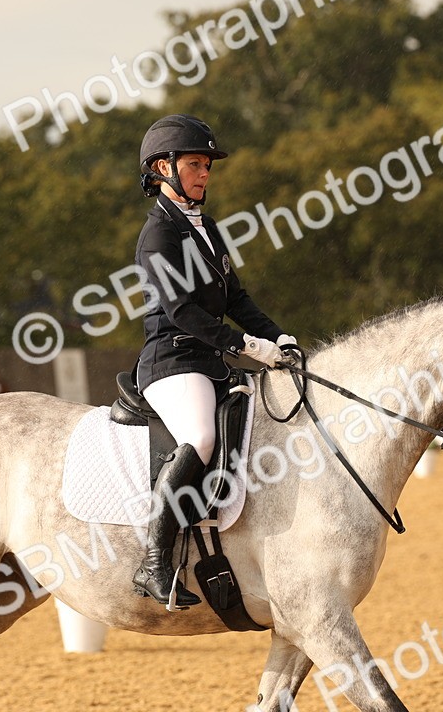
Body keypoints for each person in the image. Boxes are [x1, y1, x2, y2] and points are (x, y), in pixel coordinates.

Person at [131, 113, 296, 608]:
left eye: (207, 165)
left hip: (209, 359)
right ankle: (154, 561)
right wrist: (247, 346)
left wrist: (279, 337)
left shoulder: (206, 228)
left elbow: (236, 298)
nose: (205, 173)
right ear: (163, 167)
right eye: (195, 164)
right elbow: (181, 312)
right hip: (173, 359)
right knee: (201, 437)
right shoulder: (158, 236)